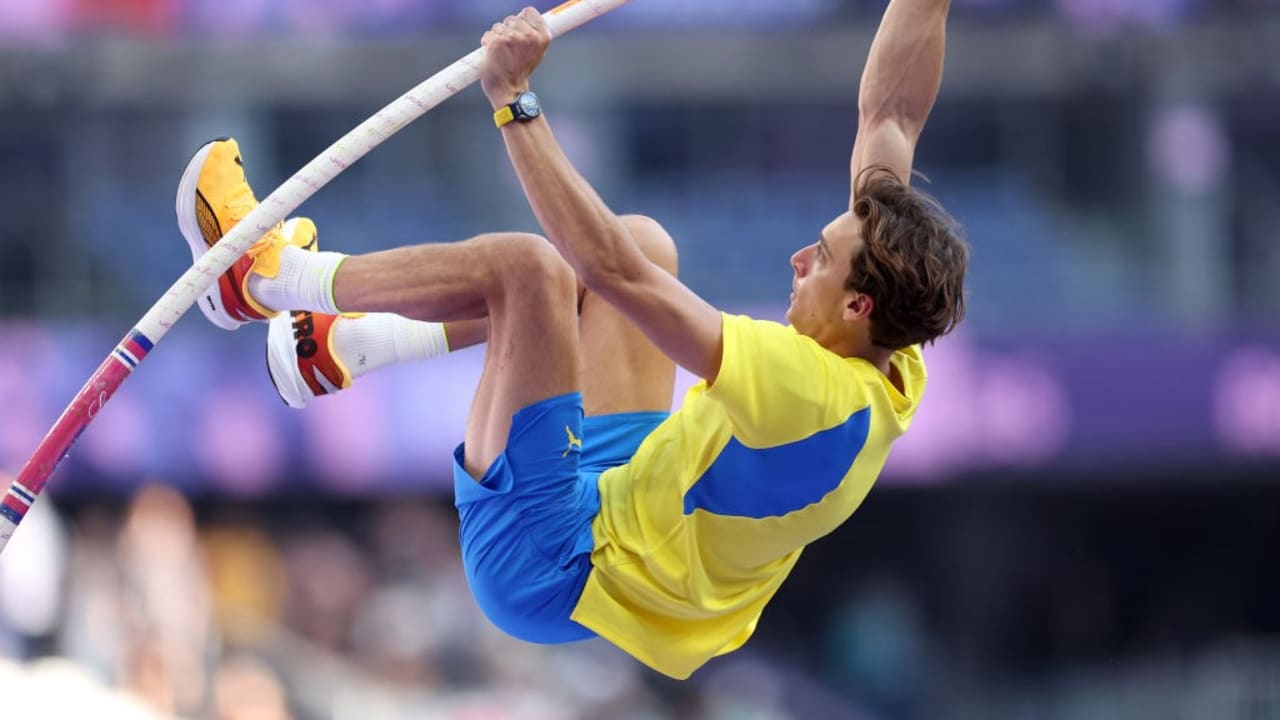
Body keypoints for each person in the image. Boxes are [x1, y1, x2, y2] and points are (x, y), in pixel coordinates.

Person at [179, 0, 967, 680]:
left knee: (532, 272)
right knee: (648, 241)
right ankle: (340, 349)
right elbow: (892, 115)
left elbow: (607, 271)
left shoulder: (805, 391)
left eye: (820, 260)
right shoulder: (889, 343)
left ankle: (261, 278)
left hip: (556, 565)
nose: (799, 258)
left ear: (859, 303)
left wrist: (514, 97)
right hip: (634, 497)